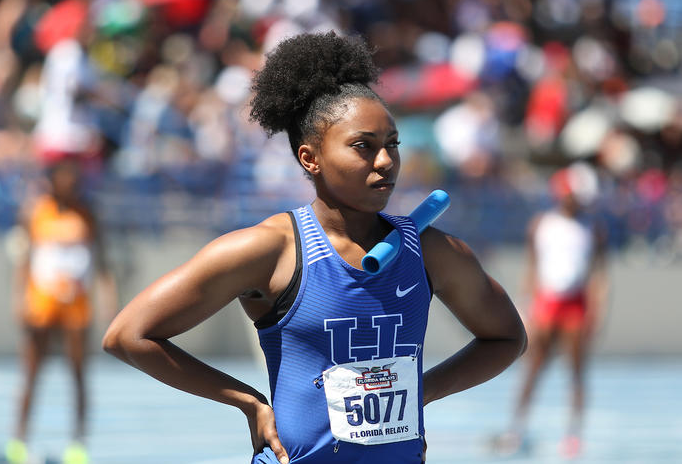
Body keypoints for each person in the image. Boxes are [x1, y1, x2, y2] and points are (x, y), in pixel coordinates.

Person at [103, 31, 526, 463]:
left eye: (392, 145)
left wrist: (425, 390)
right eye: (363, 146)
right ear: (310, 158)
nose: (385, 161)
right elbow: (128, 335)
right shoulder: (269, 251)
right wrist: (247, 401)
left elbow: (507, 338)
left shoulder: (432, 252)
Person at [492, 164, 607, 459]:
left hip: (575, 304)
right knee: (533, 369)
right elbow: (533, 270)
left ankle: (573, 434)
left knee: (577, 372)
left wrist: (597, 311)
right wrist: (526, 307)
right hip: (546, 302)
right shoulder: (541, 224)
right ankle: (516, 428)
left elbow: (598, 274)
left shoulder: (593, 229)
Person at [7, 159, 118, 464]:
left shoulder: (88, 214)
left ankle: (78, 443)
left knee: (78, 374)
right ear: (52, 181)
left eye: (74, 179)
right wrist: (20, 299)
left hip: (76, 305)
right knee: (31, 373)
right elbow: (23, 258)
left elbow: (102, 260)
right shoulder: (36, 212)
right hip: (41, 303)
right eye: (64, 179)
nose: (70, 185)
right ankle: (18, 440)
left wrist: (109, 298)